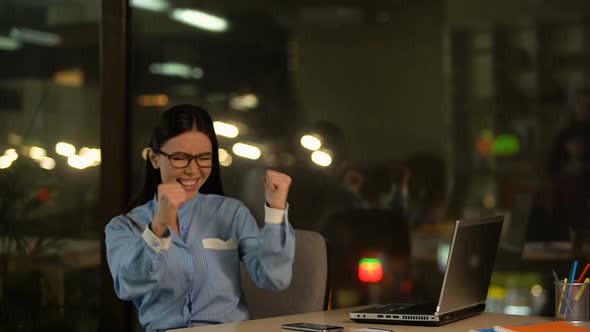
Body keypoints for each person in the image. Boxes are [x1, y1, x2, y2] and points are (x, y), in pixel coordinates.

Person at [105, 104, 295, 331]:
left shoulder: (231, 213)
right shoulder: (125, 226)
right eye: (180, 158)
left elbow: (274, 279)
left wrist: (275, 210)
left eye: (204, 157)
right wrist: (158, 227)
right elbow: (128, 286)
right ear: (154, 158)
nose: (193, 170)